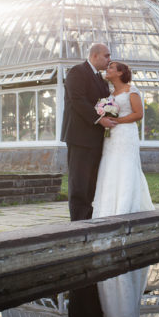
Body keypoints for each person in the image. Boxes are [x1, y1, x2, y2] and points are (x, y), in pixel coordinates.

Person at [60, 44, 117, 221]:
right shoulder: (77, 72)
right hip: (79, 137)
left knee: (91, 181)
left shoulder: (100, 79)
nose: (109, 60)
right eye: (106, 56)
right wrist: (100, 119)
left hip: (95, 138)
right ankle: (78, 220)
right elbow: (77, 100)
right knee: (79, 181)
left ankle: (87, 217)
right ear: (94, 56)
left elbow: (104, 102)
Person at [92, 61, 154, 218]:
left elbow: (138, 114)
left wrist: (117, 121)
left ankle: (124, 207)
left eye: (111, 68)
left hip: (126, 134)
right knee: (110, 166)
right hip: (111, 136)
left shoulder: (131, 90)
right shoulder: (110, 94)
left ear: (120, 73)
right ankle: (107, 209)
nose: (107, 69)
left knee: (126, 165)